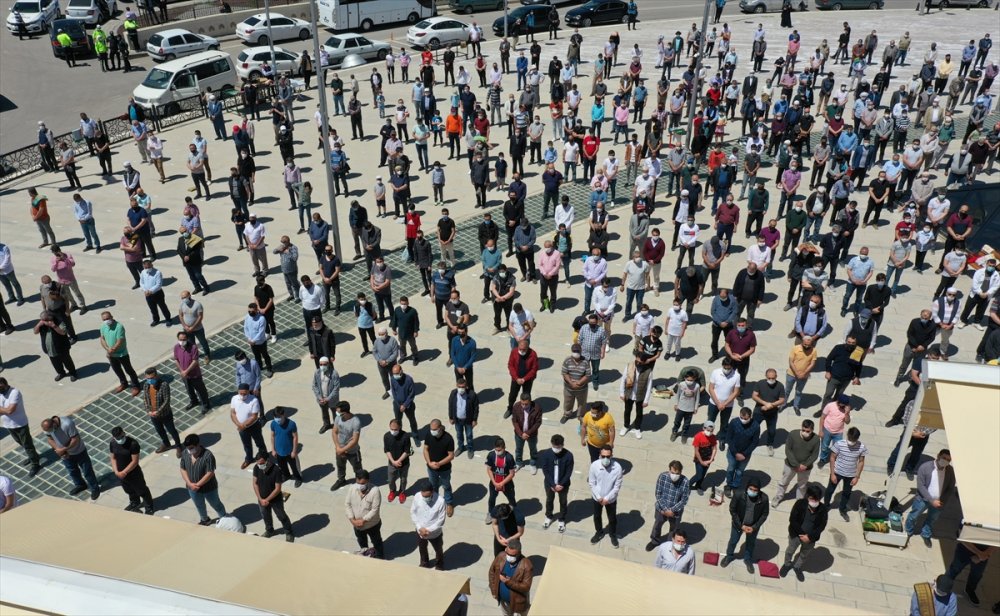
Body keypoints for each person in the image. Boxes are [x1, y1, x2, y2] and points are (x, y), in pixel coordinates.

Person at [41, 415, 100, 500]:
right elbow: (50, 439)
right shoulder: (48, 428)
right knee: (72, 471)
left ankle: (95, 488)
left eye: (50, 430)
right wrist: (58, 450)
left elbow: (75, 439)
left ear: (53, 424)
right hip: (65, 454)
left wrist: (64, 449)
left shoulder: (67, 423)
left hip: (78, 451)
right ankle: (80, 485)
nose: (50, 432)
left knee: (87, 470)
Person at [905, 450, 955, 547]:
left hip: (939, 502)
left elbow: (950, 487)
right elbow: (921, 486)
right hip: (923, 499)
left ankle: (926, 534)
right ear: (938, 456)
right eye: (944, 458)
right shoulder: (925, 467)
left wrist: (943, 500)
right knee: (914, 516)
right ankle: (908, 531)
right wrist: (932, 500)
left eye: (948, 460)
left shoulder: (950, 471)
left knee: (932, 519)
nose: (946, 461)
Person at [721, 475, 769, 573]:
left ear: (759, 490)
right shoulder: (739, 494)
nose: (753, 491)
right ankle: (729, 556)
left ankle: (748, 559)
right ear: (747, 487)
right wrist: (741, 525)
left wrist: (754, 527)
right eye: (751, 489)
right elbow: (732, 510)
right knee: (733, 541)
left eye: (755, 490)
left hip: (753, 527)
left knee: (750, 544)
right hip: (738, 525)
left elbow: (764, 514)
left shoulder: (764, 498)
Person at [780, 485, 828, 581]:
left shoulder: (823, 509)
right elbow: (793, 520)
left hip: (810, 539)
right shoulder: (800, 504)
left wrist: (809, 537)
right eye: (811, 499)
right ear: (807, 497)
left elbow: (821, 526)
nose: (814, 502)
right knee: (790, 551)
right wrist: (802, 534)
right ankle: (787, 564)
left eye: (816, 499)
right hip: (796, 535)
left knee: (804, 554)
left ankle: (797, 567)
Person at [824, 426, 866, 521]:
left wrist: (857, 477)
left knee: (847, 493)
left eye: (854, 439)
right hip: (837, 472)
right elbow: (832, 458)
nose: (851, 441)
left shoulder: (862, 447)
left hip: (850, 475)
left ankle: (842, 509)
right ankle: (826, 506)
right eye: (850, 439)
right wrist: (832, 474)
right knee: (830, 490)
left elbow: (861, 462)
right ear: (847, 436)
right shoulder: (839, 444)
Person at [646, 460, 690, 552]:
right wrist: (665, 509)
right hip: (661, 509)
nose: (674, 475)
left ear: (681, 472)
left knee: (673, 529)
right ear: (669, 470)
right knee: (657, 525)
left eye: (677, 473)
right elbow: (658, 494)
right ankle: (654, 541)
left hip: (675, 512)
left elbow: (684, 500)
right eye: (672, 472)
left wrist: (672, 510)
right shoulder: (663, 477)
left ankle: (669, 544)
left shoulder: (685, 482)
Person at [0, 379, 41, 477]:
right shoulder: (1, 393)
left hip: (20, 424)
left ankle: (35, 464)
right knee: (20, 442)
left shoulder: (14, 392)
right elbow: (7, 410)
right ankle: (33, 456)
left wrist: (3, 410)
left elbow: (10, 410)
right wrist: (4, 410)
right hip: (8, 424)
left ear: (5, 384)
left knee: (27, 445)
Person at [588, 445, 623, 548]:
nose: (605, 459)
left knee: (612, 518)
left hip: (611, 499)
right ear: (600, 455)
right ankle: (599, 532)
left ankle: (612, 534)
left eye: (608, 456)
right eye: (603, 456)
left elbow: (617, 486)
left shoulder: (617, 468)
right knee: (597, 516)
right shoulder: (594, 465)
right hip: (597, 498)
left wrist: (607, 498)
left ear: (612, 455)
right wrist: (599, 497)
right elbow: (592, 483)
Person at [488, 538, 534, 616]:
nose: (509, 556)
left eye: (512, 555)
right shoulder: (501, 556)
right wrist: (493, 590)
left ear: (519, 553)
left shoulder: (527, 565)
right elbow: (492, 572)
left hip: (518, 603)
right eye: (507, 553)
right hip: (503, 601)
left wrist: (507, 582)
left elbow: (526, 587)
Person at [345, 469, 383, 557]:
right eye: (358, 483)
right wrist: (352, 520)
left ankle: (380, 557)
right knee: (362, 542)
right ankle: (365, 553)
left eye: (362, 483)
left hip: (372, 525)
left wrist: (364, 520)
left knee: (377, 542)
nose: (360, 486)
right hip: (357, 525)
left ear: (368, 481)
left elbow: (375, 509)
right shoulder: (352, 488)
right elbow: (347, 504)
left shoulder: (375, 491)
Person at [100, 312, 140, 395]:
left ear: (111, 317)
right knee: (117, 370)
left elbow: (120, 341)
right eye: (104, 320)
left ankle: (136, 386)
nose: (106, 321)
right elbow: (102, 338)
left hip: (122, 353)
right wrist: (108, 349)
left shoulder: (119, 327)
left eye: (107, 318)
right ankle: (123, 383)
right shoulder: (103, 326)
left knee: (129, 370)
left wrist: (112, 350)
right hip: (111, 354)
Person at [411, 479, 447, 570]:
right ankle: (424, 563)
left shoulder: (441, 501)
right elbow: (413, 512)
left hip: (435, 533)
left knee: (438, 550)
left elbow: (441, 520)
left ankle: (439, 565)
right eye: (423, 496)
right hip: (420, 531)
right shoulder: (417, 497)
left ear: (432, 492)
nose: (425, 498)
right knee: (422, 548)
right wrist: (420, 528)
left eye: (427, 496)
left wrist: (428, 530)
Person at [945, 542, 994, 608]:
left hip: (984, 552)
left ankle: (969, 590)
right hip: (965, 548)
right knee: (955, 568)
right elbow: (961, 536)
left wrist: (985, 555)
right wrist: (979, 554)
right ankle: (944, 586)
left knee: (977, 574)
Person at [724, 407, 759, 497]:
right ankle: (728, 485)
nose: (743, 420)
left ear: (750, 417)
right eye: (741, 418)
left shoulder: (755, 426)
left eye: (745, 418)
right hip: (733, 453)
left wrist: (744, 454)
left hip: (745, 455)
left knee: (739, 472)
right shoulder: (734, 422)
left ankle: (735, 486)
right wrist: (736, 453)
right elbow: (728, 437)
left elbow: (754, 442)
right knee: (731, 469)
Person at [230, 383, 266, 471]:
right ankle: (248, 459)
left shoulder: (254, 400)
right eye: (241, 393)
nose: (242, 395)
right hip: (241, 428)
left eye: (244, 393)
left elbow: (254, 416)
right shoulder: (234, 399)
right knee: (246, 445)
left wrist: (243, 425)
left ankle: (264, 457)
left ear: (248, 392)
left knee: (259, 443)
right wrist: (239, 425)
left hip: (254, 426)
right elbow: (233, 413)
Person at [751, 369, 786, 455]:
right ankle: (752, 442)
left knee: (772, 431)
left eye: (773, 378)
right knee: (754, 427)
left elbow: (782, 400)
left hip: (772, 413)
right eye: (769, 378)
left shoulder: (780, 386)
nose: (771, 380)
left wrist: (772, 405)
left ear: (776, 377)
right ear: (766, 376)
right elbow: (754, 396)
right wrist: (765, 404)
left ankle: (770, 444)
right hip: (759, 410)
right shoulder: (760, 383)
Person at [330, 401, 363, 492]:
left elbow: (355, 440)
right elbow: (334, 431)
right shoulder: (338, 418)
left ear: (346, 412)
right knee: (340, 466)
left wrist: (342, 449)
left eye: (339, 412)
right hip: (340, 449)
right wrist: (338, 447)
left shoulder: (355, 422)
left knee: (358, 469)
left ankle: (360, 483)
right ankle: (341, 480)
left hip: (352, 451)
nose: (337, 414)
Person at [269, 406, 303, 488]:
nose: (277, 419)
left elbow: (295, 437)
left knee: (295, 467)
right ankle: (286, 475)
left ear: (284, 415)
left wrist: (294, 451)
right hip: (279, 451)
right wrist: (273, 449)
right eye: (275, 417)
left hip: (290, 451)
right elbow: (272, 436)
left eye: (279, 417)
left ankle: (298, 478)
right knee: (282, 466)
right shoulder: (273, 424)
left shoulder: (291, 424)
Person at [448, 378, 479, 459]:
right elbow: (450, 405)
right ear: (456, 386)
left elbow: (476, 408)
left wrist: (475, 420)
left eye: (463, 387)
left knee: (469, 435)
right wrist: (451, 417)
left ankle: (470, 449)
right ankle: (461, 447)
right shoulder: (453, 393)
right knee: (459, 435)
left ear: (466, 386)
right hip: (457, 420)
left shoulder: (472, 394)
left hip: (468, 420)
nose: (461, 389)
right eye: (459, 386)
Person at [384, 418, 410, 503]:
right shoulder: (387, 436)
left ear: (400, 427)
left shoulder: (405, 436)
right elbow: (387, 450)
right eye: (391, 429)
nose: (393, 431)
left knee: (403, 479)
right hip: (392, 463)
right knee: (391, 479)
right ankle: (392, 491)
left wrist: (398, 460)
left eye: (395, 429)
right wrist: (393, 461)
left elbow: (407, 451)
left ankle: (402, 492)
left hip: (404, 463)